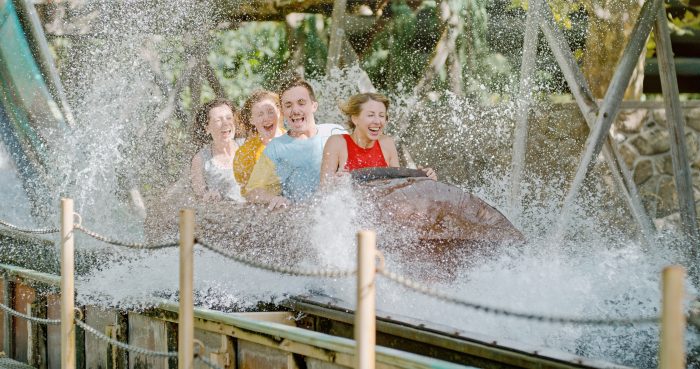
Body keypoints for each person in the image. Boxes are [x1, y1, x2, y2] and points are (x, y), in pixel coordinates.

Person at [244, 78, 346, 209]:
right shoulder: (276, 148)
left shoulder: (336, 132)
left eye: (301, 103)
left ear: (314, 105)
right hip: (301, 218)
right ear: (282, 111)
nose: (295, 110)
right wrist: (273, 198)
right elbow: (252, 192)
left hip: (341, 213)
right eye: (288, 105)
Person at [320, 92, 436, 187]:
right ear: (355, 119)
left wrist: (423, 177)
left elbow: (399, 186)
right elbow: (324, 190)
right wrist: (335, 183)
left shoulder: (387, 143)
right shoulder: (337, 143)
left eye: (381, 115)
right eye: (370, 115)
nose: (377, 121)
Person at [190, 98, 244, 202]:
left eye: (229, 118)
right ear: (207, 128)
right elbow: (199, 197)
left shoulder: (247, 145)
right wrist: (207, 196)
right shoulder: (200, 159)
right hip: (222, 215)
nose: (225, 123)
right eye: (218, 120)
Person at [233, 90, 286, 188]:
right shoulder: (245, 153)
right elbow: (247, 192)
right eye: (260, 114)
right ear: (251, 120)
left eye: (270, 112)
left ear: (278, 112)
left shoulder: (295, 140)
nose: (266, 118)